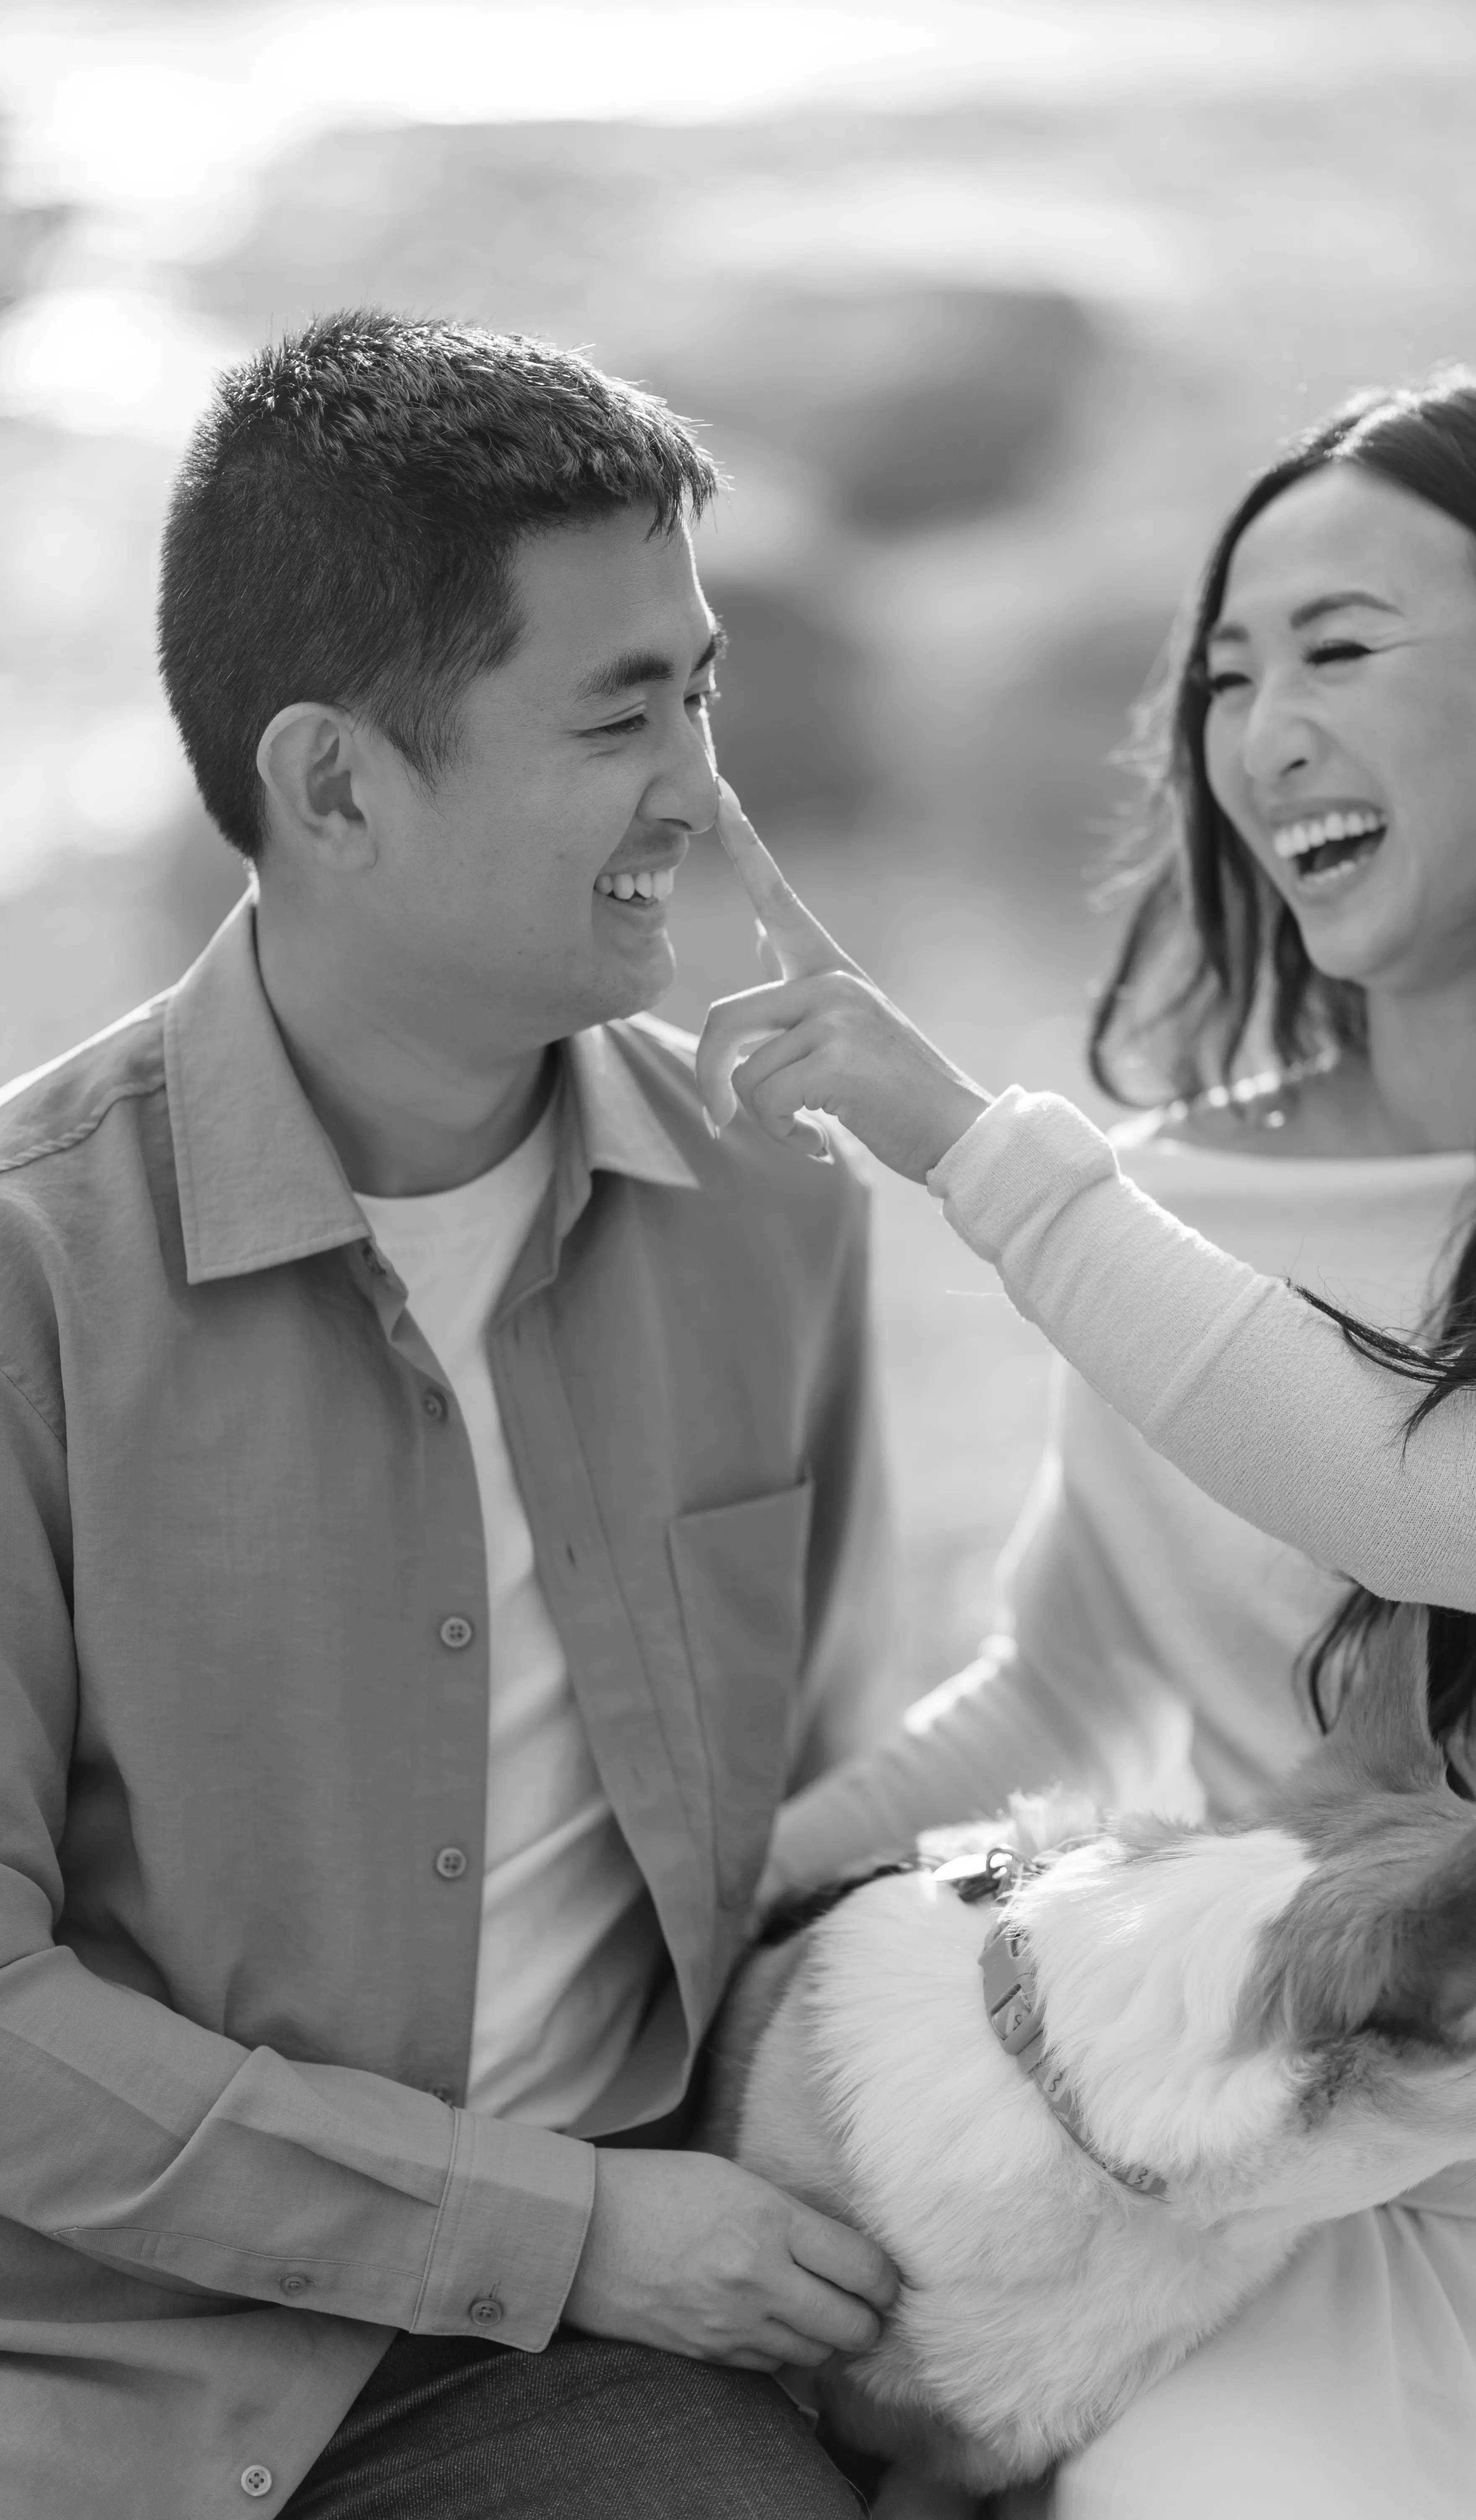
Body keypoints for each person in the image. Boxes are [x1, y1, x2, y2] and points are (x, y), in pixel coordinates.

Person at [698, 375, 1476, 2517]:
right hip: (1292, 2196)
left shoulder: (1118, 1237)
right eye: (1227, 675)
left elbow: (1418, 1495)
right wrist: (698, 1901)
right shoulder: (1174, 1209)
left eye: (1338, 648)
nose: (1264, 733)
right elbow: (1059, 1695)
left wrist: (966, 1147)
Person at [0, 310, 900, 2520]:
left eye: (698, 693)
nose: (699, 788)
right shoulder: (29, 1271)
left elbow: (825, 1827)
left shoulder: (776, 1208)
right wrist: (556, 2229)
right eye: (617, 714)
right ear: (333, 789)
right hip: (95, 2366)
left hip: (574, 2384)